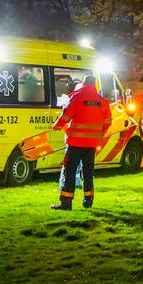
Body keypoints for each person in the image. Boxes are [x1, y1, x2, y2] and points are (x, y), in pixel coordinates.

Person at [48, 74, 111, 211]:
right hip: (91, 144)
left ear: (83, 83)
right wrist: (98, 135)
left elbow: (66, 115)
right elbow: (107, 122)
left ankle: (66, 202)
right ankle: (88, 200)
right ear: (94, 85)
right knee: (88, 172)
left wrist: (57, 125)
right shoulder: (103, 102)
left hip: (75, 143)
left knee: (69, 172)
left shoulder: (76, 97)